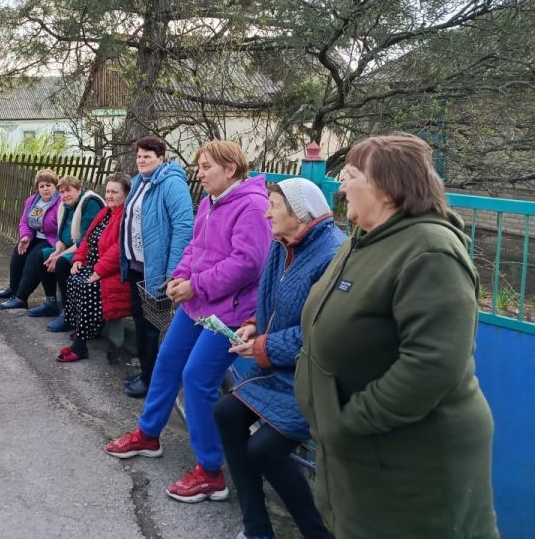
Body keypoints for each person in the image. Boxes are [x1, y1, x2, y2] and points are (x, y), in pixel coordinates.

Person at [294, 133, 498, 539]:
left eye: (350, 175)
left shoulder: (430, 251)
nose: (341, 185)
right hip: (361, 454)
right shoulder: (363, 240)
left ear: (386, 187)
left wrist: (350, 422)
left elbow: (433, 365)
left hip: (408, 460)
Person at [105, 140, 272, 503]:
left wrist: (195, 285)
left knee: (197, 380)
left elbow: (248, 263)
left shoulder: (253, 206)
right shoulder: (211, 202)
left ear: (230, 169)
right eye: (199, 166)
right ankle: (148, 435)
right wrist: (179, 278)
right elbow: (194, 247)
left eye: (206, 167)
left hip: (227, 313)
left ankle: (211, 472)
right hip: (197, 303)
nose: (200, 174)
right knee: (166, 363)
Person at [213, 178, 345, 539]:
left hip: (312, 377)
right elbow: (269, 295)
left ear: (300, 214)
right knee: (225, 412)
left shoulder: (333, 254)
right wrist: (254, 323)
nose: (266, 211)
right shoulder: (281, 241)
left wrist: (262, 348)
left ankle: (317, 533)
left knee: (264, 449)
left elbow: (317, 332)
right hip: (277, 371)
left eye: (274, 205)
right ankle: (257, 528)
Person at [119, 136, 194, 397]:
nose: (141, 160)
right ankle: (147, 373)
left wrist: (173, 272)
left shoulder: (172, 184)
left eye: (147, 156)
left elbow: (184, 228)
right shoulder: (140, 182)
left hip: (158, 271)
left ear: (161, 159)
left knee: (152, 328)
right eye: (139, 155)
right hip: (137, 266)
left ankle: (152, 383)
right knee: (141, 322)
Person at [57, 174, 131, 362]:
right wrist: (79, 259)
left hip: (111, 272)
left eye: (115, 192)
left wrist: (98, 271)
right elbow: (88, 239)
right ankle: (84, 329)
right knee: (73, 280)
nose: (109, 195)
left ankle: (81, 345)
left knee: (86, 287)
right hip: (94, 266)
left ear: (126, 194)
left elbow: (118, 249)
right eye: (107, 191)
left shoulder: (125, 216)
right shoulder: (105, 212)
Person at [26, 175, 104, 326]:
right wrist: (56, 251)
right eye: (61, 192)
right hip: (71, 248)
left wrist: (59, 256)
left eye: (69, 190)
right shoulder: (66, 205)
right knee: (43, 255)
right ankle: (51, 303)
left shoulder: (90, 203)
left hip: (90, 252)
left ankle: (68, 313)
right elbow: (61, 235)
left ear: (79, 190)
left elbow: (84, 240)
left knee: (61, 263)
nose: (65, 195)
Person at [0, 170, 62, 309]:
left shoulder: (60, 203)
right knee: (18, 253)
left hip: (51, 239)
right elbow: (24, 222)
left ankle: (21, 298)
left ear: (55, 186)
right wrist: (26, 237)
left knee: (33, 259)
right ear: (37, 188)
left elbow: (62, 227)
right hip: (34, 237)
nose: (45, 189)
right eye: (42, 186)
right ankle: (13, 289)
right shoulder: (32, 201)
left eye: (49, 185)